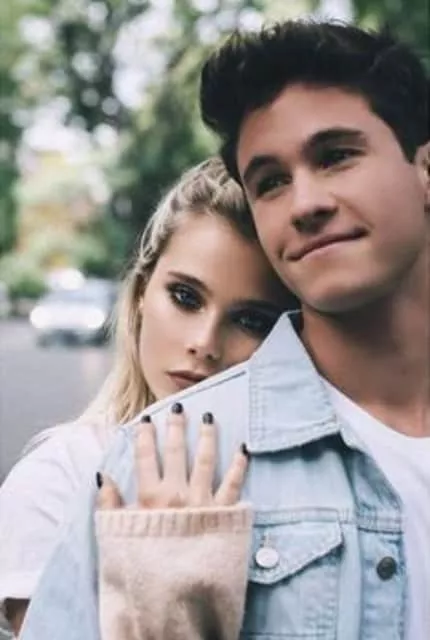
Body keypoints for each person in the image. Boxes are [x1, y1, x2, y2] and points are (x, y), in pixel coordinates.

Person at [11, 19, 430, 640]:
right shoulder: (136, 462)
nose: (306, 203)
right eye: (270, 182)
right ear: (139, 294)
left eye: (337, 156)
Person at [0, 156, 294, 637]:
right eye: (185, 297)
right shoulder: (60, 478)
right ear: (141, 292)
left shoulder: (309, 479)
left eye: (251, 320)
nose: (205, 342)